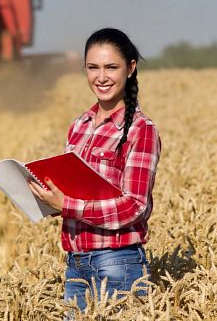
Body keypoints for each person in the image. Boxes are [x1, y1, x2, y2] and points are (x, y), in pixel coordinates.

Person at [28, 28, 161, 312]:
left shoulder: (140, 130)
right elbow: (75, 194)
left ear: (130, 69)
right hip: (75, 265)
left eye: (111, 67)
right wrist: (47, 199)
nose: (101, 77)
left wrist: (67, 205)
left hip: (118, 265)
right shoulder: (79, 125)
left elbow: (135, 207)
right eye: (93, 67)